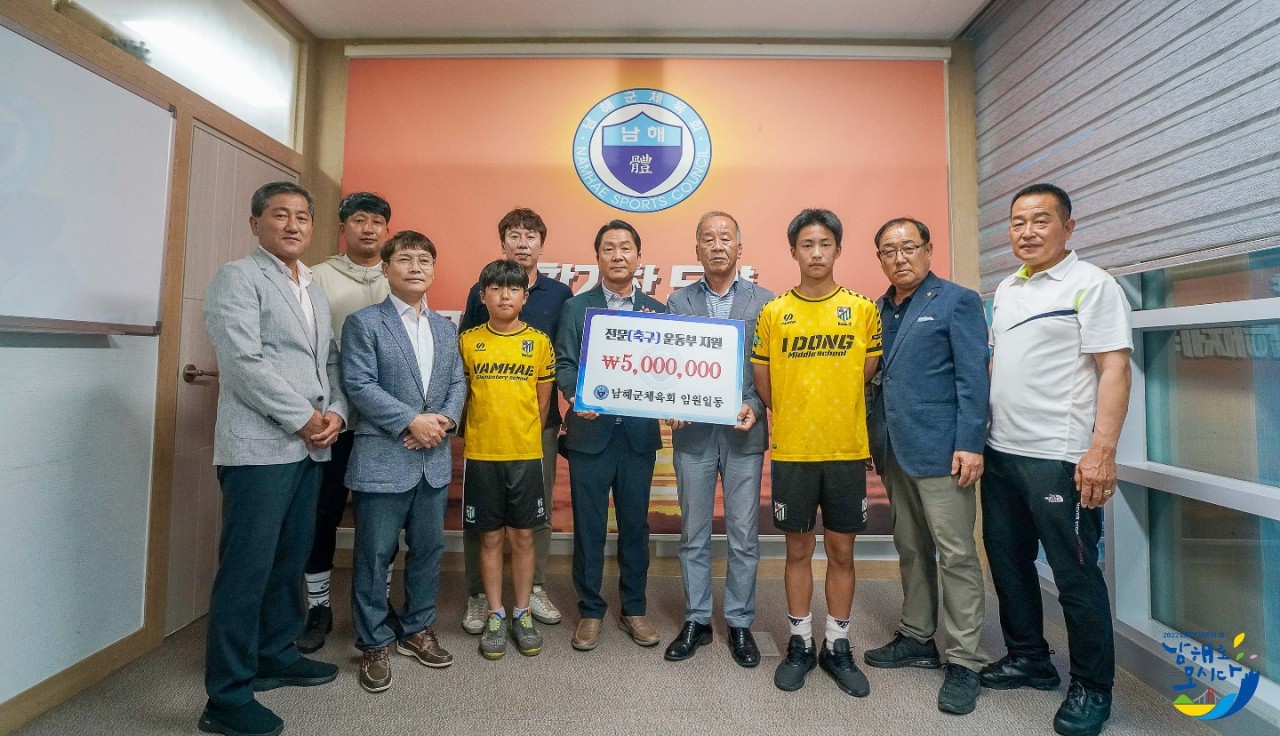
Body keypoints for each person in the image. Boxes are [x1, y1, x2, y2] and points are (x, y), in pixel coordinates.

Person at [981, 183, 1132, 736]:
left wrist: (1102, 450)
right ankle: (1029, 657)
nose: (1027, 232)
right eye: (1018, 222)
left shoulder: (1091, 284)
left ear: (1068, 227)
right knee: (1009, 561)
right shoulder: (1008, 288)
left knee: (1074, 574)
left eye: (1040, 220)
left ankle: (1093, 686)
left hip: (1060, 456)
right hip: (1002, 451)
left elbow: (1114, 368)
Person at [200, 181, 345, 736]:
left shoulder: (311, 286)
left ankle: (274, 654)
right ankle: (226, 697)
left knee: (289, 560)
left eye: (302, 217)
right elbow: (243, 363)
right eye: (280, 215)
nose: (293, 225)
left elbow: (328, 363)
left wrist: (336, 413)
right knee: (246, 571)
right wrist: (303, 418)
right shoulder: (237, 277)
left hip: (310, 448)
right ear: (255, 222)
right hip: (259, 450)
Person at [751, 208, 882, 697]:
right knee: (798, 550)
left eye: (825, 244)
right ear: (793, 251)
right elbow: (764, 381)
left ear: (838, 249)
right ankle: (801, 642)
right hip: (794, 451)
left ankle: (837, 645)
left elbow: (866, 370)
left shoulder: (862, 310)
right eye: (807, 244)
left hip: (846, 450)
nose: (816, 253)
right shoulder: (774, 312)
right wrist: (796, 412)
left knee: (843, 551)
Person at [862, 217, 990, 715]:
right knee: (911, 546)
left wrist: (970, 444)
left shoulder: (957, 301)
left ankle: (965, 660)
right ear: (880, 258)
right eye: (888, 251)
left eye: (908, 247)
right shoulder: (877, 310)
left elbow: (973, 379)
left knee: (956, 554)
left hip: (944, 451)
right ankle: (917, 636)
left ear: (928, 249)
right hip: (894, 448)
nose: (899, 258)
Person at [341, 230, 465, 693]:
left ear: (434, 269)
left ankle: (417, 628)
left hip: (432, 459)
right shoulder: (364, 323)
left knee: (428, 551)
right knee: (374, 555)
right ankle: (374, 641)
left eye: (424, 260)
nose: (416, 267)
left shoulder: (445, 329)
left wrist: (445, 421)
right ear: (386, 268)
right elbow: (359, 384)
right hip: (382, 457)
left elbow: (458, 383)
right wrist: (411, 421)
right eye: (405, 259)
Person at [662, 211, 773, 667]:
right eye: (708, 238)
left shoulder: (766, 301)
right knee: (694, 532)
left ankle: (740, 622)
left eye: (726, 237)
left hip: (745, 430)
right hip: (694, 433)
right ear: (697, 249)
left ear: (740, 248)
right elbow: (669, 364)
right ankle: (698, 619)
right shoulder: (678, 301)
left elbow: (770, 369)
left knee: (744, 534)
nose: (717, 245)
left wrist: (757, 406)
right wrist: (671, 400)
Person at [458, 208, 573, 633]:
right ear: (502, 242)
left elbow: (564, 355)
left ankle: (534, 588)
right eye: (514, 235)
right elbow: (465, 365)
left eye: (530, 236)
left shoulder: (560, 294)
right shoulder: (481, 290)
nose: (522, 243)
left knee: (534, 516)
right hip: (486, 430)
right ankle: (478, 594)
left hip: (537, 426)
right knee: (481, 522)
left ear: (542, 244)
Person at [555, 219, 666, 651]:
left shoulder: (657, 310)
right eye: (608, 248)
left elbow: (668, 372)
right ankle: (590, 610)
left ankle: (634, 608)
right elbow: (565, 363)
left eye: (625, 248)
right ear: (597, 257)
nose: (618, 255)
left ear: (639, 256)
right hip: (590, 433)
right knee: (589, 526)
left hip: (638, 436)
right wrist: (574, 395)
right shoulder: (576, 307)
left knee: (636, 525)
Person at [298, 192, 393, 654]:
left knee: (385, 518)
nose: (369, 229)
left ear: (388, 231)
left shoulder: (399, 274)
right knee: (323, 515)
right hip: (332, 420)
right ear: (342, 228)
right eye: (359, 220)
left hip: (385, 423)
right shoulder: (315, 277)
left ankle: (381, 602)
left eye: (377, 222)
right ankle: (318, 607)